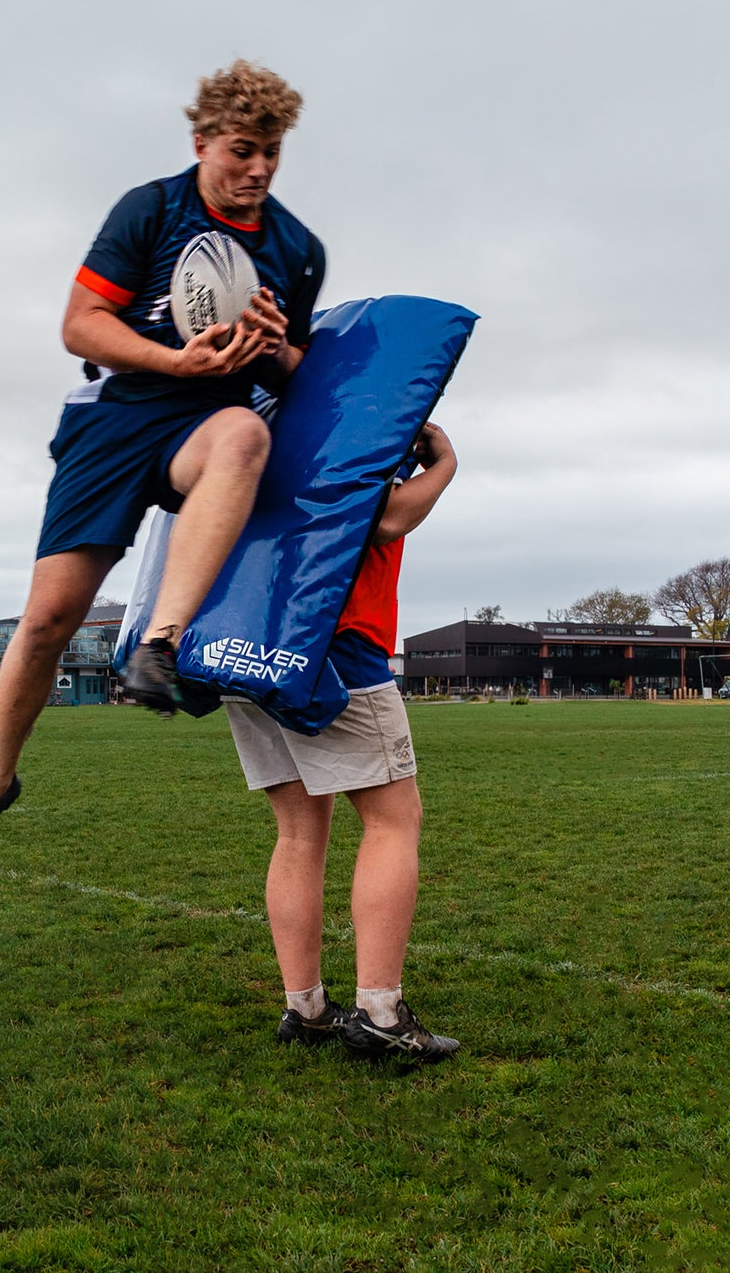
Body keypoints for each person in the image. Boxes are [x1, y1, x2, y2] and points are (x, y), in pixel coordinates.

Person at [0, 61, 326, 871]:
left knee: (243, 438)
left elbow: (300, 378)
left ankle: (160, 644)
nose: (258, 169)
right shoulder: (151, 209)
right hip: (120, 414)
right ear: (202, 141)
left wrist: (272, 347)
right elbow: (80, 325)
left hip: (210, 420)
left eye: (273, 153)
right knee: (47, 619)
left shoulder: (296, 249)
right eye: (243, 150)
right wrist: (172, 359)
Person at [225, 422, 460, 1060]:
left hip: (246, 646)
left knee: (298, 833)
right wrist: (441, 466)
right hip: (336, 646)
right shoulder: (347, 428)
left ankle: (306, 1007)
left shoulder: (256, 430)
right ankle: (380, 1012)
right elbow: (386, 518)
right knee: (392, 822)